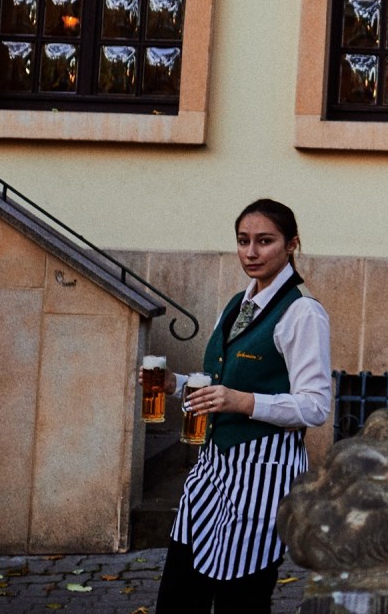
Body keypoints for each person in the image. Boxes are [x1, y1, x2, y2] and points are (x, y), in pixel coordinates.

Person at [155, 198, 331, 613]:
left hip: (263, 474)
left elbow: (315, 407)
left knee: (241, 599)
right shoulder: (238, 303)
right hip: (214, 467)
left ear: (292, 244)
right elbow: (218, 384)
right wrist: (175, 384)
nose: (251, 252)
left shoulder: (303, 312)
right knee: (180, 591)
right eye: (243, 240)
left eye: (265, 241)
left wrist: (244, 402)